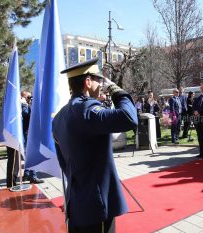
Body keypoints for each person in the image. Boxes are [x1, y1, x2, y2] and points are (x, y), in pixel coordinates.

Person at [52, 58, 138, 233]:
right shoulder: (87, 109)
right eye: (99, 80)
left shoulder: (59, 116)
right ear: (88, 82)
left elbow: (63, 162)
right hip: (95, 206)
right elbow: (129, 117)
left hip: (76, 204)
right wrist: (116, 90)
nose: (101, 84)